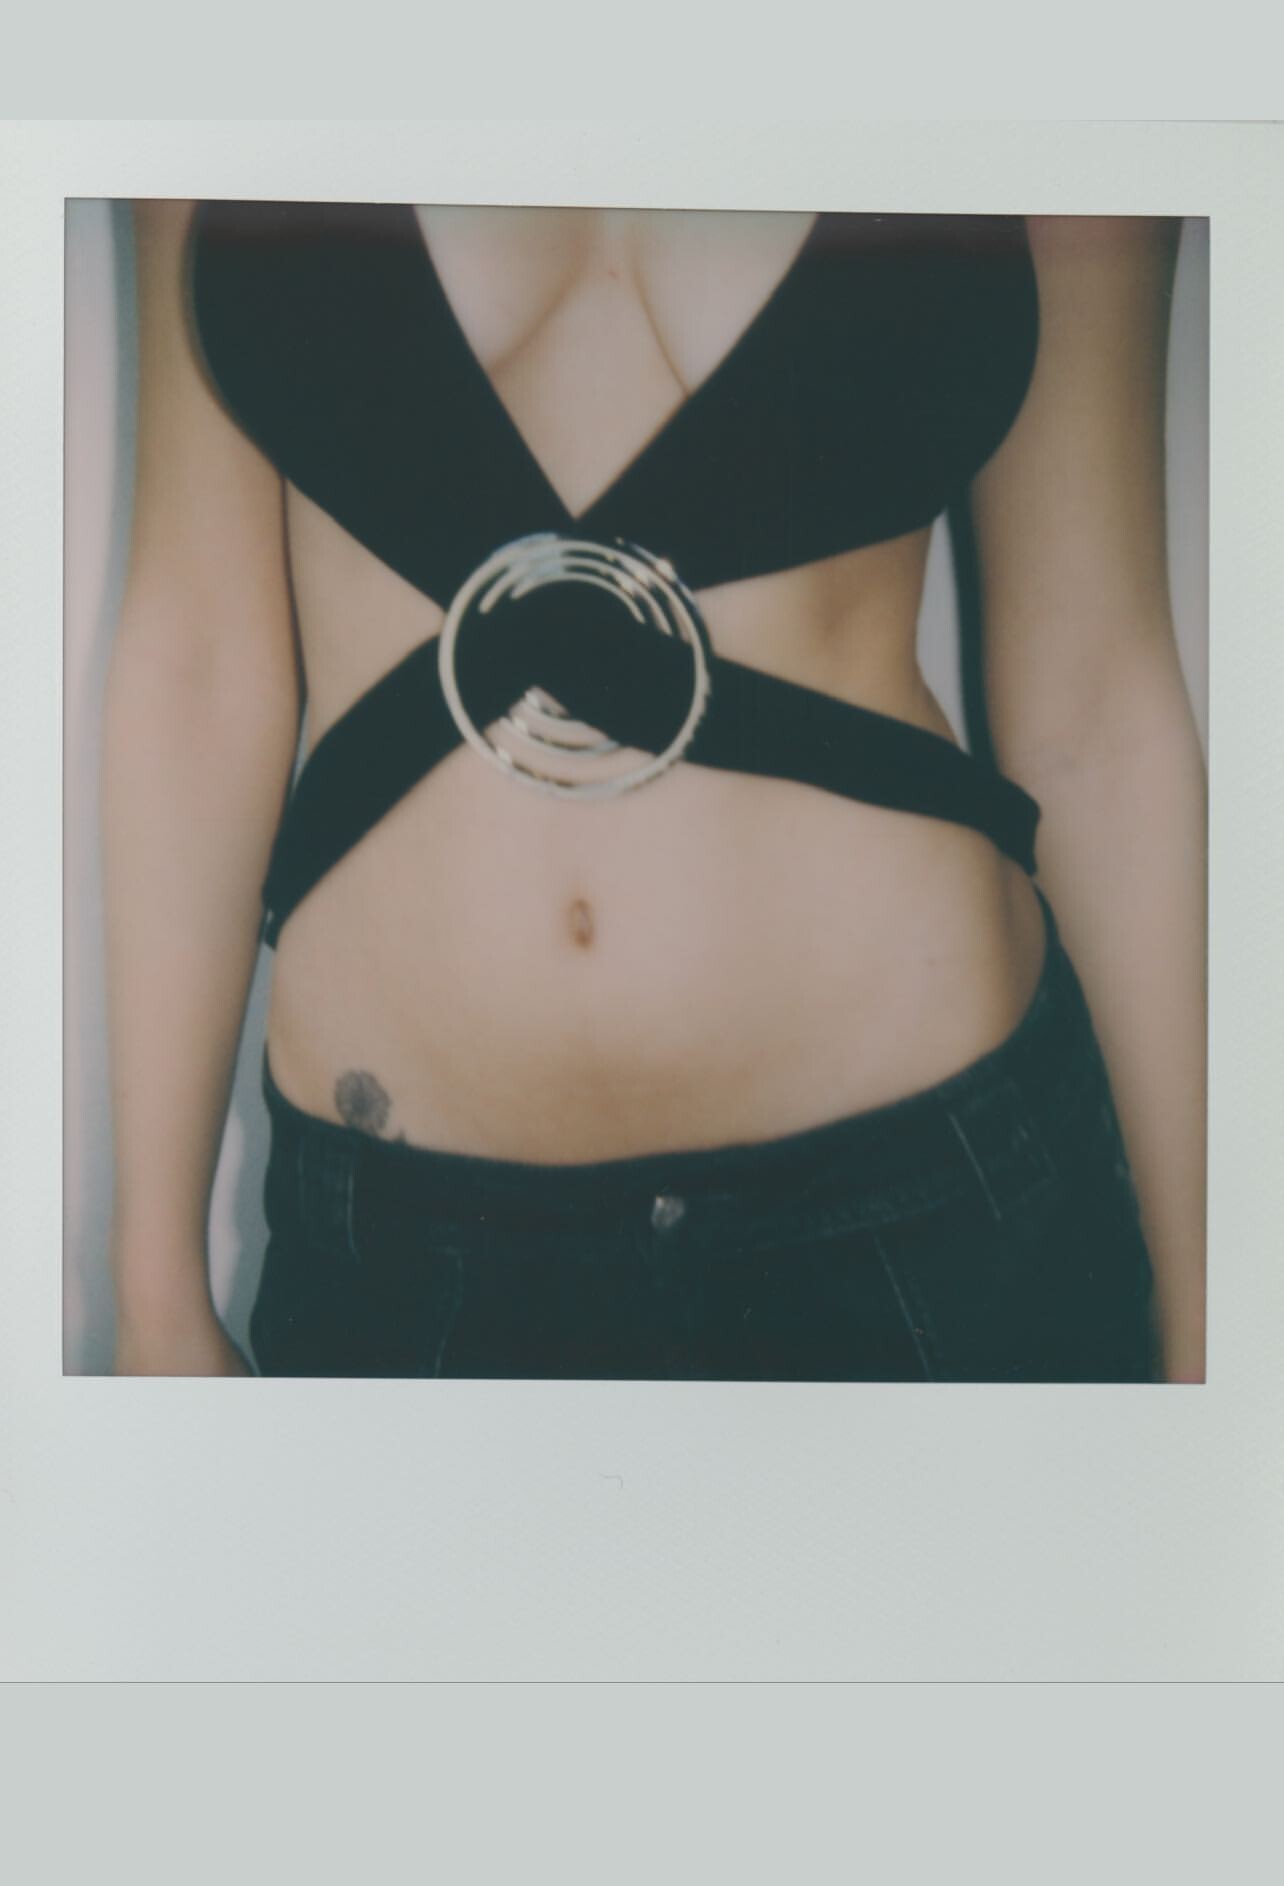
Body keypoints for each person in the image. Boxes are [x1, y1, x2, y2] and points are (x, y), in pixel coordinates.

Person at [103, 199, 1206, 1382]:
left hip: (939, 1197)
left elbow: (1093, 694)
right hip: (403, 1248)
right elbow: (197, 661)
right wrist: (155, 1289)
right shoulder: (221, 88)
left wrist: (1215, 1307)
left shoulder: (1058, 88)